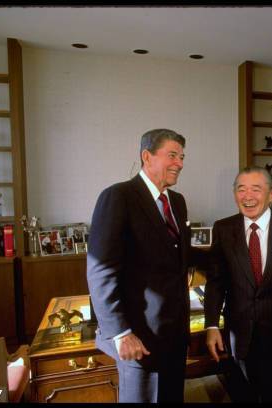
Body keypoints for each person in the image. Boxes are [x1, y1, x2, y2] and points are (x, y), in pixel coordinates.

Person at [87, 128, 194, 403]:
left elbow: (179, 256)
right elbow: (101, 270)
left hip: (175, 335)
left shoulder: (177, 203)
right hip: (139, 338)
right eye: (172, 155)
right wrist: (121, 333)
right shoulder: (118, 197)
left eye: (182, 157)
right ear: (147, 156)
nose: (180, 163)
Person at [204, 166, 272, 402]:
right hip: (238, 332)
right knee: (243, 392)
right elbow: (215, 282)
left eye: (256, 189)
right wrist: (212, 325)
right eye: (241, 189)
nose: (248, 196)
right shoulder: (223, 229)